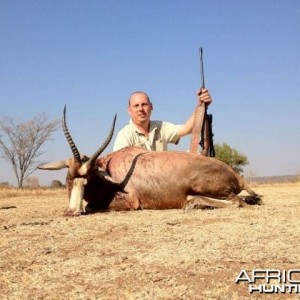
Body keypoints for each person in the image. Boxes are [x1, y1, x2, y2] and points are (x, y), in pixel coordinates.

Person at [113, 88, 212, 151]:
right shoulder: (124, 135)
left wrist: (201, 106)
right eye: (136, 106)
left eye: (144, 104)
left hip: (163, 182)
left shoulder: (160, 127)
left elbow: (187, 129)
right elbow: (120, 165)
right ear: (129, 110)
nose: (140, 109)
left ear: (151, 106)